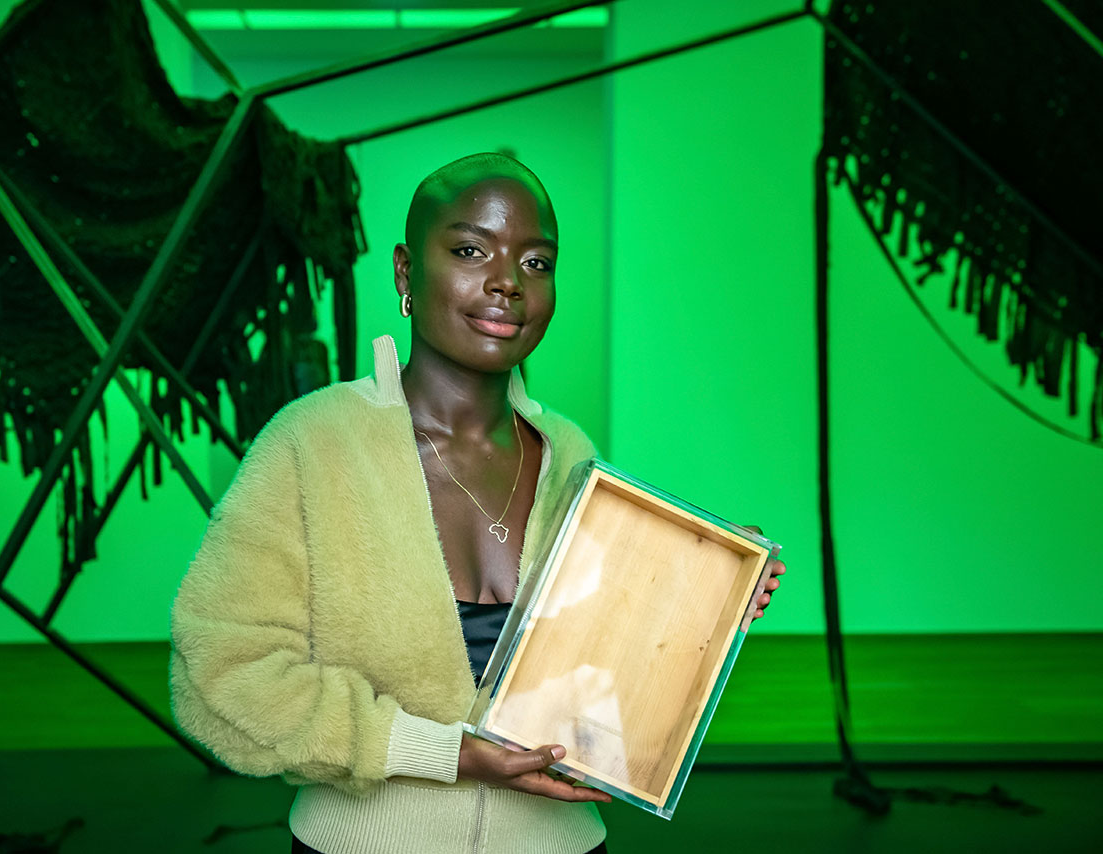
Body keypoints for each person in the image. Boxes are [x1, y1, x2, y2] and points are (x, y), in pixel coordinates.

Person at [169, 152, 784, 854]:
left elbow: (596, 678)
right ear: (406, 273)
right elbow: (220, 677)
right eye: (469, 250)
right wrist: (450, 754)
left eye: (537, 263)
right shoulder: (312, 445)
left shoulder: (570, 454)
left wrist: (701, 588)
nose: (506, 284)